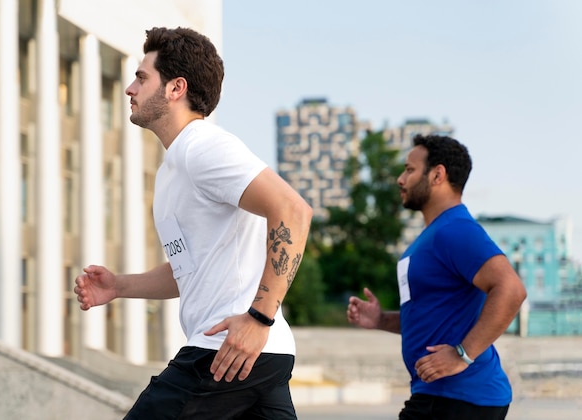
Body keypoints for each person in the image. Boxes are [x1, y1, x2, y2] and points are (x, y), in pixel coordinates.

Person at [74, 26, 312, 419]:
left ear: (175, 88)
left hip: (225, 351)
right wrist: (119, 286)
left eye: (142, 77)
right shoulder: (173, 169)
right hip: (255, 358)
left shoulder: (204, 146)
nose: (130, 89)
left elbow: (293, 211)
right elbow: (188, 270)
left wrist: (259, 317)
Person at [347, 134, 527, 420]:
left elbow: (511, 289)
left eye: (409, 169)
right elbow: (435, 315)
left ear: (437, 175)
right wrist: (382, 320)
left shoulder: (455, 230)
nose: (400, 179)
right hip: (439, 394)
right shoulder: (430, 238)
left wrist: (462, 354)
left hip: (459, 396)